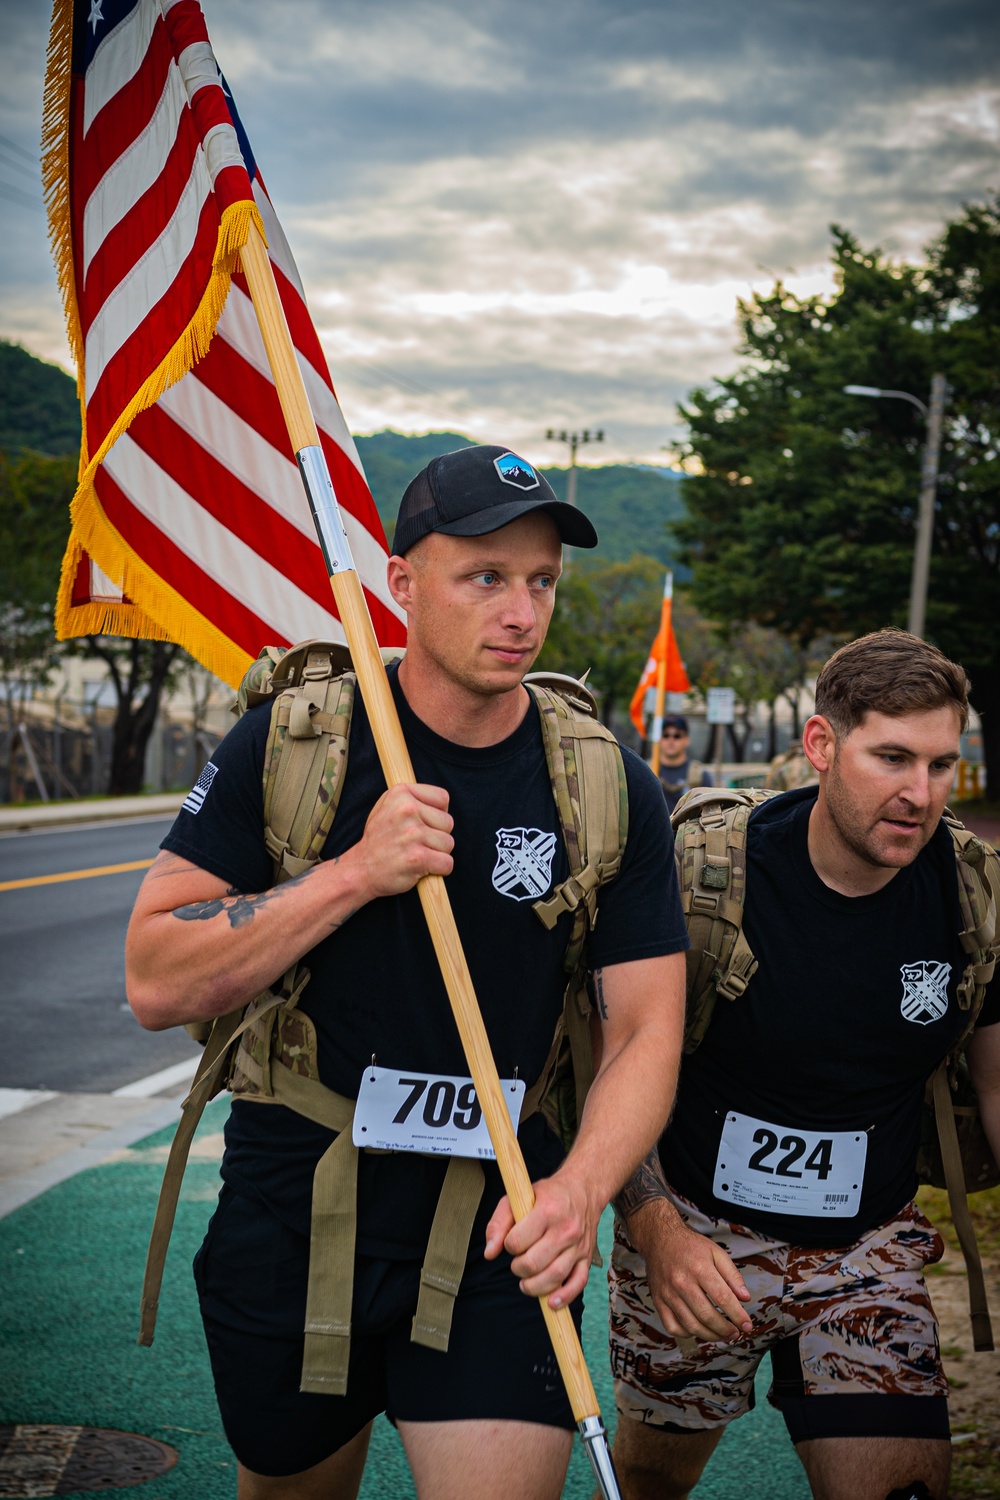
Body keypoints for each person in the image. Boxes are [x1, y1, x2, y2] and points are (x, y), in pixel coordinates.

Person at [125, 444, 688, 1500]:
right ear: (400, 584)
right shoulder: (297, 746)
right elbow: (155, 979)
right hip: (297, 1211)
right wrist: (351, 875)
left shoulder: (604, 781)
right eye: (484, 577)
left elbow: (647, 1026)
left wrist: (581, 1191)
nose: (520, 611)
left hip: (500, 1221)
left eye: (539, 582)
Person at [608, 630, 1000, 1500]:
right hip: (693, 1235)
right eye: (891, 757)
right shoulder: (703, 875)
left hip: (867, 1248)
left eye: (941, 765)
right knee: (649, 1480)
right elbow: (610, 1063)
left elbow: (997, 1088)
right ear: (822, 746)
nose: (919, 793)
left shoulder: (974, 896)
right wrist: (655, 1230)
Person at [656, 713, 712, 815]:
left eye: (677, 736)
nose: (671, 740)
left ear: (687, 740)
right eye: (665, 735)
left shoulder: (700, 775)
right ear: (659, 739)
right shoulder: (648, 771)